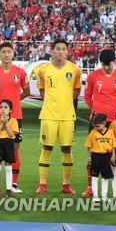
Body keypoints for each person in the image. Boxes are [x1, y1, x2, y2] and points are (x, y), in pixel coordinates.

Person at [81, 49, 116, 198]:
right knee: (93, 154)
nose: (106, 67)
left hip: (115, 122)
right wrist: (96, 111)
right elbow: (88, 96)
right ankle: (91, 187)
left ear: (115, 61)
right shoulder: (92, 77)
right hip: (97, 122)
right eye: (103, 65)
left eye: (109, 64)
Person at [36, 39, 82, 194]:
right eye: (57, 49)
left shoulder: (75, 69)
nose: (60, 51)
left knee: (67, 149)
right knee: (47, 147)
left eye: (63, 49)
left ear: (67, 51)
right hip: (48, 114)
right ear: (52, 50)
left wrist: (65, 102)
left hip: (67, 115)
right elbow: (42, 91)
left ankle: (66, 184)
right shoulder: (43, 70)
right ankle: (42, 184)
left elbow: (76, 91)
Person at [0, 42, 30, 193]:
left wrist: (13, 104)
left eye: (9, 52)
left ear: (13, 53)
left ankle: (13, 184)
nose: (6, 54)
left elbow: (26, 91)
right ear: (0, 54)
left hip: (15, 117)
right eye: (3, 52)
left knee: (15, 148)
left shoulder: (21, 72)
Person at [0, 99, 19, 197]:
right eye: (1, 107)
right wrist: (1, 123)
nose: (3, 109)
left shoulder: (14, 121)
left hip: (8, 143)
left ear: (10, 110)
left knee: (8, 167)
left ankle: (8, 189)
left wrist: (6, 123)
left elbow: (11, 135)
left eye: (5, 107)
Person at [85, 113, 116, 202]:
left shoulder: (110, 132)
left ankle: (104, 196)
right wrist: (89, 158)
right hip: (95, 157)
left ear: (104, 123)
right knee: (94, 177)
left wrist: (113, 156)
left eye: (98, 126)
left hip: (107, 157)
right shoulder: (93, 133)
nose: (96, 128)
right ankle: (95, 196)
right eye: (94, 126)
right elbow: (89, 146)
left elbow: (113, 145)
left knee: (105, 177)